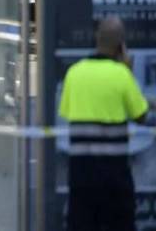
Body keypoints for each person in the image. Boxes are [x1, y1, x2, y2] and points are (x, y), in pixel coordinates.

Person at [59, 16, 148, 231]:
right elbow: (141, 115)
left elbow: (66, 112)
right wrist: (127, 70)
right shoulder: (122, 76)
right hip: (115, 178)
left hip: (81, 176)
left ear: (96, 38)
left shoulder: (74, 73)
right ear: (121, 45)